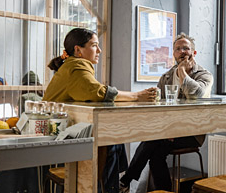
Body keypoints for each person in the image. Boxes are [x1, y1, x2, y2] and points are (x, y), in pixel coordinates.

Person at [43, 28, 157, 193]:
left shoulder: (73, 65)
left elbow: (93, 93)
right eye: (94, 45)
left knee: (112, 137)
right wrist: (136, 96)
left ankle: (114, 186)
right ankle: (111, 188)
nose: (99, 50)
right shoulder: (76, 65)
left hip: (60, 131)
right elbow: (97, 92)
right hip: (56, 136)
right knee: (110, 139)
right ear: (77, 50)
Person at [119, 33, 213, 191]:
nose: (182, 51)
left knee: (152, 141)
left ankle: (125, 181)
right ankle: (163, 191)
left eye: (186, 48)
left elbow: (195, 94)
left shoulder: (204, 75)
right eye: (178, 49)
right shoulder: (166, 77)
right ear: (173, 53)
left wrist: (182, 71)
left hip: (192, 132)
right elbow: (158, 106)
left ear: (194, 53)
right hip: (167, 131)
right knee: (155, 156)